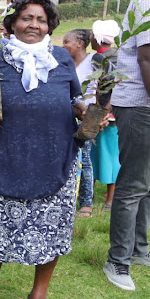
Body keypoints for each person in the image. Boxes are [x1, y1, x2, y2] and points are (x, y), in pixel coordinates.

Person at [0, 0, 93, 299]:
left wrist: (85, 110)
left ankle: (38, 296)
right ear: (12, 22)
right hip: (4, 155)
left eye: (40, 20)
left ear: (49, 25)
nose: (33, 25)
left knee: (51, 229)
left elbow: (74, 98)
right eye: (26, 18)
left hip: (53, 157)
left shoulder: (61, 59)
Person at [102, 0, 150, 291]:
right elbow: (146, 58)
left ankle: (140, 251)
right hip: (139, 103)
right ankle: (117, 260)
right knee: (133, 184)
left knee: (146, 183)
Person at [63, 29, 97, 218]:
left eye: (67, 41)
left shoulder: (94, 62)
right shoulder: (64, 63)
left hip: (87, 115)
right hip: (66, 114)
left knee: (85, 159)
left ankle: (86, 203)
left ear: (80, 43)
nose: (64, 44)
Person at [91, 20, 122, 212]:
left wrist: (104, 111)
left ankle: (109, 199)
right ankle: (106, 197)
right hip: (114, 112)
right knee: (110, 154)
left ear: (97, 38)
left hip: (103, 112)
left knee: (101, 155)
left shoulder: (99, 58)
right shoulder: (119, 55)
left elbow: (107, 88)